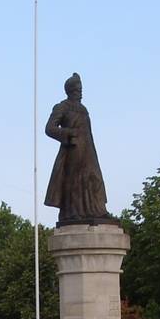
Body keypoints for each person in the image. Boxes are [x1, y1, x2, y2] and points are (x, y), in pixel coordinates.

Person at [43, 73, 112, 224]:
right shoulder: (62, 107)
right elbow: (50, 128)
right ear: (70, 91)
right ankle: (72, 213)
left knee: (94, 178)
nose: (80, 93)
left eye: (81, 90)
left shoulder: (83, 109)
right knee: (74, 181)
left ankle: (97, 210)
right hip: (73, 149)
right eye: (77, 90)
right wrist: (69, 133)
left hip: (88, 149)